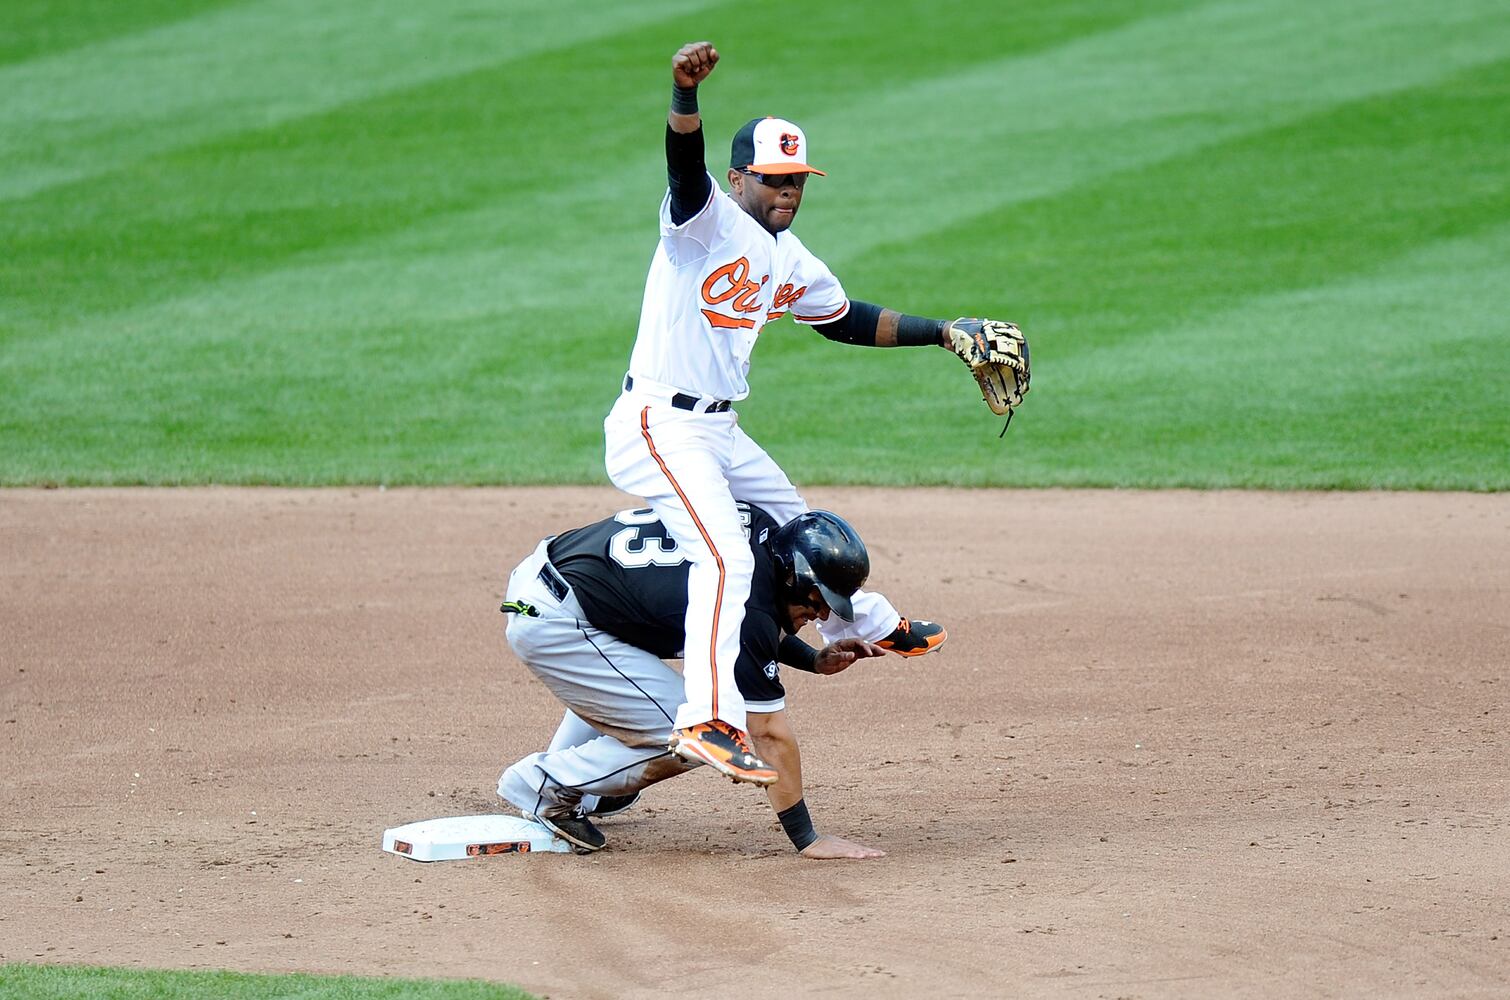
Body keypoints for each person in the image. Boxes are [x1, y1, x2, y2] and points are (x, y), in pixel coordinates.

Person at [604, 41, 962, 788]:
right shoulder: (700, 222)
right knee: (727, 557)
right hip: (657, 423)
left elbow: (844, 319)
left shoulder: (789, 256)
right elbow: (680, 163)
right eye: (772, 179)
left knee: (799, 524)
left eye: (795, 179)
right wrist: (682, 93)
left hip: (717, 429)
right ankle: (706, 719)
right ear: (738, 179)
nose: (786, 191)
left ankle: (864, 623)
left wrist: (945, 332)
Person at [497, 502, 888, 858]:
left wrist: (814, 659)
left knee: (656, 693)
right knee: (695, 731)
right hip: (559, 621)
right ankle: (544, 786)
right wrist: (808, 838)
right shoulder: (753, 601)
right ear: (792, 578)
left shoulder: (758, 539)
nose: (821, 616)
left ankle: (585, 792)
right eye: (817, 601)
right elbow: (768, 732)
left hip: (569, 589)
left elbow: (749, 625)